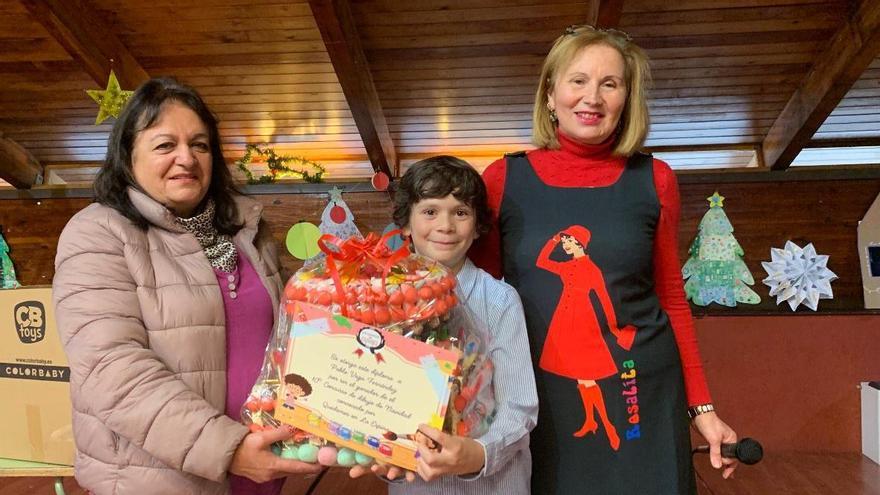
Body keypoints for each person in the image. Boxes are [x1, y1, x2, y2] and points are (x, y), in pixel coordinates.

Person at [470, 25, 739, 494]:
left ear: (625, 99)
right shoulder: (501, 179)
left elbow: (671, 299)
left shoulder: (655, 179)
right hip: (537, 392)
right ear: (550, 93)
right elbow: (479, 300)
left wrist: (703, 408)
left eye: (609, 84)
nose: (591, 97)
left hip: (642, 388)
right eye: (578, 80)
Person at [52, 77, 321, 495]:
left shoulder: (248, 229)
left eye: (200, 144)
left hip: (263, 465)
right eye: (165, 145)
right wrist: (229, 449)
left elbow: (288, 337)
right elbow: (111, 371)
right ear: (127, 155)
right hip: (164, 479)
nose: (187, 158)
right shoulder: (98, 233)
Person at [351, 155, 539, 494]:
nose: (446, 225)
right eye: (430, 211)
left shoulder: (499, 300)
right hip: (415, 485)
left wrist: (478, 454)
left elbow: (519, 406)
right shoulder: (382, 303)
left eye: (461, 212)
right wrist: (376, 448)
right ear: (405, 223)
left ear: (479, 224)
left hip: (494, 485)